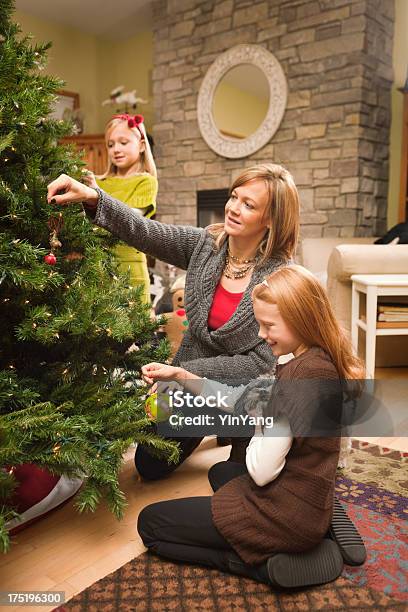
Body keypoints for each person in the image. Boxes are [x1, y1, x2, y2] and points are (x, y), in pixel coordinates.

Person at [47, 163, 300, 473]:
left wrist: (181, 373)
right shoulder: (206, 245)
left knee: (240, 474)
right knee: (149, 465)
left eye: (248, 205)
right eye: (234, 197)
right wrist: (94, 197)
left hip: (238, 392)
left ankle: (233, 430)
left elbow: (258, 365)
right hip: (185, 383)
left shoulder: (279, 276)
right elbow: (146, 232)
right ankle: (209, 424)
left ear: (271, 219)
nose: (233, 208)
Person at [137, 265, 367, 589]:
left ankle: (269, 565)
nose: (260, 334)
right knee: (220, 474)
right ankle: (323, 511)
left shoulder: (299, 377)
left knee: (151, 525)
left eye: (268, 325)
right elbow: (238, 400)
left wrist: (263, 420)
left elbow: (261, 472)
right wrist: (180, 376)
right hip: (305, 492)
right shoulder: (316, 359)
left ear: (300, 319)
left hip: (285, 518)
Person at [86, 113, 157, 304]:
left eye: (124, 142)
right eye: (111, 144)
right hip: (98, 266)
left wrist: (96, 196)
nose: (116, 149)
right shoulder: (99, 182)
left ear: (141, 145)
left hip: (130, 267)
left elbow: (131, 219)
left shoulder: (146, 181)